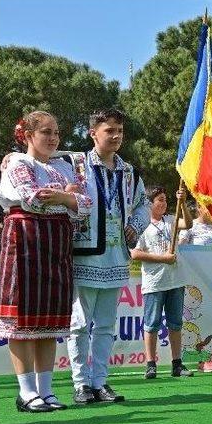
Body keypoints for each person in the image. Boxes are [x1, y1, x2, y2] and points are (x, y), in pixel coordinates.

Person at [0, 111, 92, 412]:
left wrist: (66, 198)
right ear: (28, 135)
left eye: (56, 133)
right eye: (45, 132)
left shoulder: (62, 167)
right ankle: (26, 391)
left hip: (56, 243)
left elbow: (87, 204)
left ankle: (46, 390)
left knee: (49, 320)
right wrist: (69, 198)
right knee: (23, 317)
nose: (52, 138)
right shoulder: (17, 162)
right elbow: (32, 196)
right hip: (24, 238)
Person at [63, 109, 150, 403]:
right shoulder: (74, 163)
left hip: (116, 254)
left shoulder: (129, 172)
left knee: (105, 325)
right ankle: (80, 384)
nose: (115, 136)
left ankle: (100, 382)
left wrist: (135, 225)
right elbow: (39, 156)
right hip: (85, 254)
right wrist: (13, 157)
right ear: (93, 133)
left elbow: (143, 205)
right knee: (78, 323)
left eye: (120, 131)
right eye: (109, 130)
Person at [131, 185, 193, 380]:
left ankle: (177, 363)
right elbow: (135, 253)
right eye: (160, 200)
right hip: (154, 283)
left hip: (175, 281)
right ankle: (150, 364)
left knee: (175, 323)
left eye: (166, 200)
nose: (164, 203)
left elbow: (189, 225)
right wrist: (163, 258)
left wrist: (182, 203)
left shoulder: (171, 220)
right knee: (152, 324)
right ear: (150, 203)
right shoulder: (141, 225)